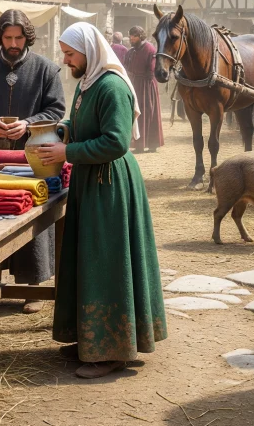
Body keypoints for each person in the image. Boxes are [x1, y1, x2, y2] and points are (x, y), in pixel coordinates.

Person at [33, 22, 167, 379]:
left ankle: (112, 351)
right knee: (89, 259)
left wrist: (67, 149)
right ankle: (91, 339)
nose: (66, 60)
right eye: (64, 53)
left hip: (110, 184)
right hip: (91, 182)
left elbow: (115, 142)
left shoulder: (111, 86)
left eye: (70, 54)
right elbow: (84, 123)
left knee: (107, 263)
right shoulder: (86, 84)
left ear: (88, 52)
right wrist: (63, 129)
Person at [0, 10, 66, 312]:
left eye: (18, 37)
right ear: (0, 36)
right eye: (8, 37)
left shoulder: (46, 69)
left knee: (32, 212)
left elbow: (56, 108)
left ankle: (32, 285)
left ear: (27, 37)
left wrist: (29, 124)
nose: (13, 43)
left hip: (33, 154)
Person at [124, 26, 163, 152]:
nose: (131, 38)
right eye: (130, 36)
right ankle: (139, 144)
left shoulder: (150, 49)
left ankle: (152, 144)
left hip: (147, 86)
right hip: (135, 84)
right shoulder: (132, 51)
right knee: (137, 114)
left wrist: (140, 79)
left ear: (141, 36)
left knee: (149, 113)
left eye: (134, 36)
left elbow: (151, 70)